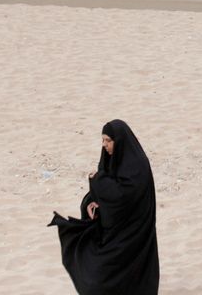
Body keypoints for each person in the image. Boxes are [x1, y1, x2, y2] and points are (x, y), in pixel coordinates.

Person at [48, 120, 159, 295]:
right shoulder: (110, 160)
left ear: (120, 141)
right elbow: (107, 193)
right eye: (103, 140)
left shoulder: (137, 167)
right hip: (114, 232)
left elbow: (124, 195)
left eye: (108, 140)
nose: (104, 145)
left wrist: (98, 180)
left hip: (133, 233)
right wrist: (92, 202)